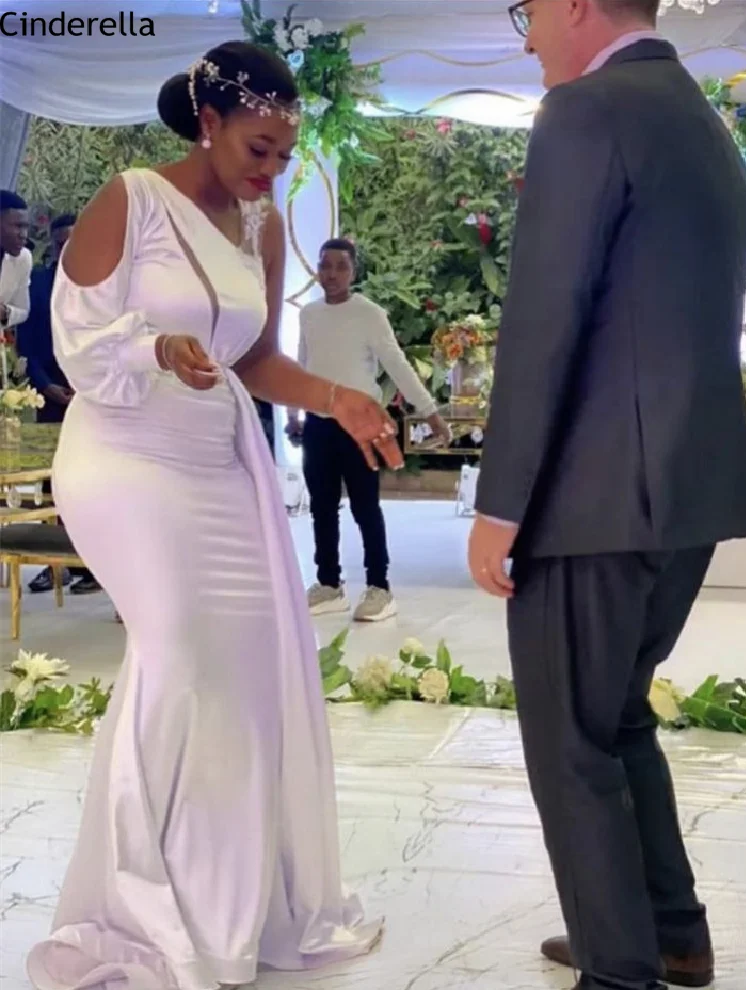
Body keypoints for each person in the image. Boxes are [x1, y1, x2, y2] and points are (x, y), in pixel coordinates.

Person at [27, 41, 397, 990]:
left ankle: (224, 905)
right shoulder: (132, 199)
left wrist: (340, 400)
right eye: (257, 150)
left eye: (284, 154)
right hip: (125, 458)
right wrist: (156, 347)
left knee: (242, 677)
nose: (270, 171)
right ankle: (137, 911)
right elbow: (73, 340)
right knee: (179, 660)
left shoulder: (260, 225)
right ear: (209, 124)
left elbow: (256, 359)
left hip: (219, 466)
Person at [468, 3, 746, 990]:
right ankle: (668, 932)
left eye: (528, 12)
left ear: (573, 4)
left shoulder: (585, 110)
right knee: (615, 716)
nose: (526, 38)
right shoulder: (702, 121)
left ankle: (619, 970)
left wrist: (498, 504)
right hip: (689, 486)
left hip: (594, 495)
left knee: (570, 741)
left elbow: (543, 316)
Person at [288, 238, 450, 622]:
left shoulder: (370, 314)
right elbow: (302, 365)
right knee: (322, 507)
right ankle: (329, 583)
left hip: (361, 425)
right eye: (325, 265)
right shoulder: (309, 314)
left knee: (365, 506)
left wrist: (430, 412)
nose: (331, 274)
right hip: (319, 424)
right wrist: (294, 412)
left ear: (354, 271)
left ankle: (379, 586)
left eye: (340, 266)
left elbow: (397, 364)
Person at [17, 213, 101, 596]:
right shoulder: (37, 283)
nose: (67, 249)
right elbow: (27, 342)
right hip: (50, 396)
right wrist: (46, 385)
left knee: (93, 484)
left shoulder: (105, 283)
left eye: (74, 241)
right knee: (54, 484)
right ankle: (56, 564)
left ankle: (93, 568)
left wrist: (88, 386)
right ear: (52, 245)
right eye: (60, 243)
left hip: (94, 398)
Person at [0, 190, 32, 380]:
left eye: (26, 227)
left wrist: (5, 313)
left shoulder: (23, 259)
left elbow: (23, 310)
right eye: (18, 226)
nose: (24, 235)